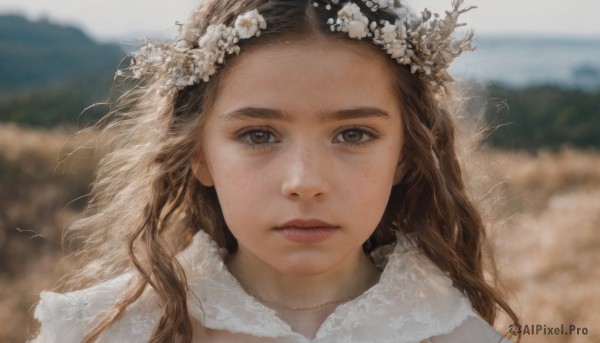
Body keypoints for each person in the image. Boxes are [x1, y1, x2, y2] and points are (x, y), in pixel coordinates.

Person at [30, 0, 519, 342]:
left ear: (407, 156)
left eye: (353, 134)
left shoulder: (455, 333)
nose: (305, 182)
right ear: (198, 154)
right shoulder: (98, 330)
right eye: (258, 135)